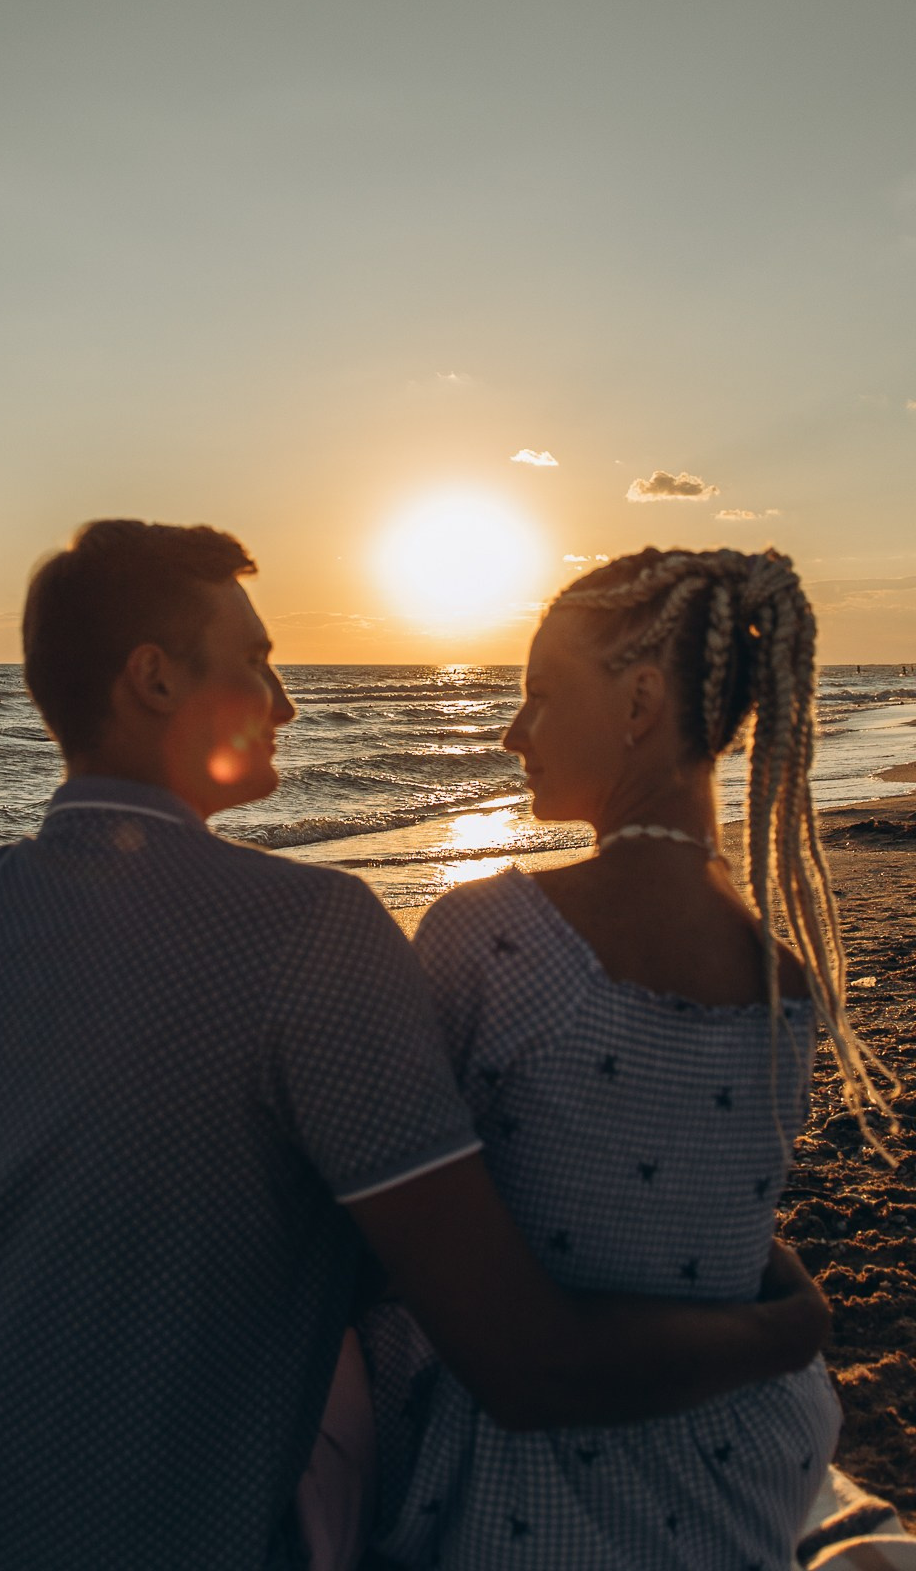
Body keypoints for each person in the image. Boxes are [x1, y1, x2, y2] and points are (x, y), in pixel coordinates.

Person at [0, 523, 829, 1571]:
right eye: (257, 661)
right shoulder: (308, 929)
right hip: (150, 1533)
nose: (286, 703)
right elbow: (519, 1355)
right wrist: (788, 1332)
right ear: (155, 679)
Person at [364, 546, 898, 1571]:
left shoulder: (495, 936)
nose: (513, 731)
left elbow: (402, 1227)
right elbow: (708, 1238)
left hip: (527, 1487)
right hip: (737, 1462)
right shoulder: (789, 986)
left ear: (641, 702)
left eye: (540, 693)